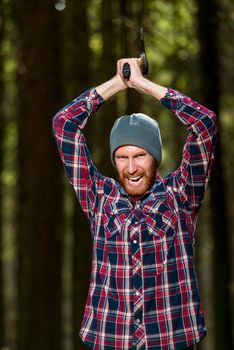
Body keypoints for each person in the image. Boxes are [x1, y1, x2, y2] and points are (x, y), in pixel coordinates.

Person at [52, 58, 217, 350]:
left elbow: (204, 123)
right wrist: (118, 82)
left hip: (172, 339)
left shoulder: (181, 193)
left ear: (155, 157)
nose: (131, 167)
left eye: (140, 155)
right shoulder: (99, 196)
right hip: (109, 338)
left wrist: (143, 85)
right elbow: (64, 124)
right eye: (122, 157)